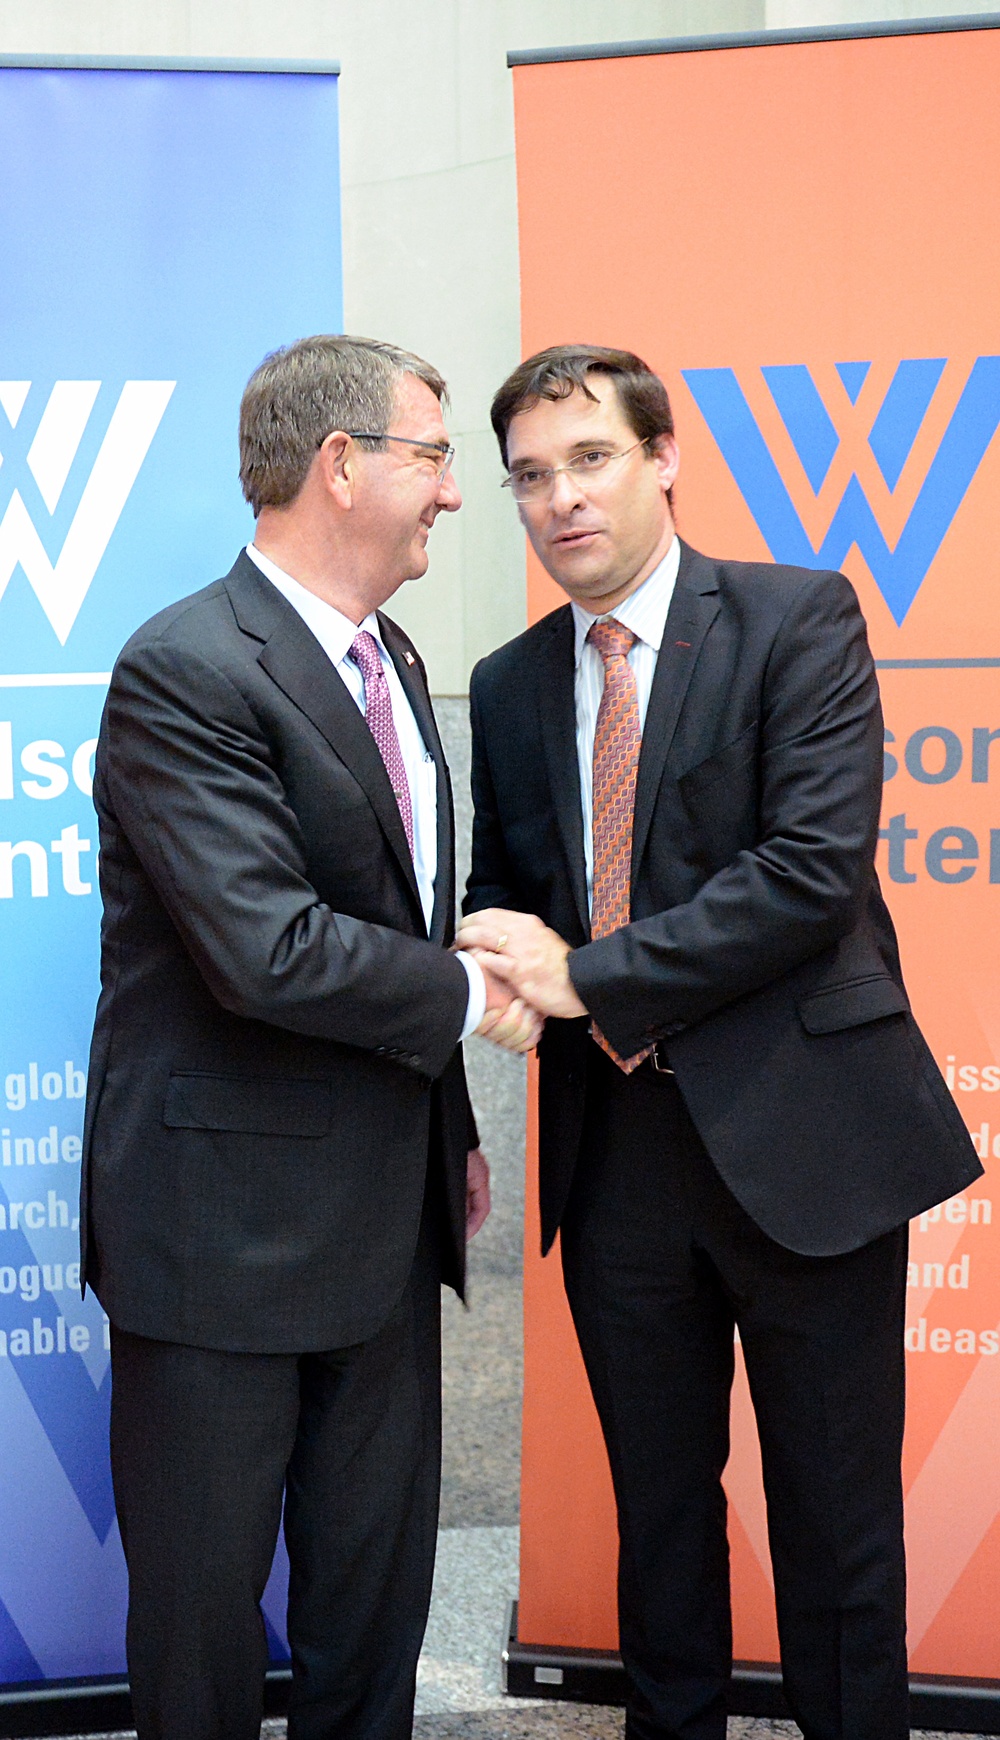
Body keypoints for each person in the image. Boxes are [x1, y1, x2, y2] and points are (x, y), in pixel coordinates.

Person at [457, 344, 981, 1740]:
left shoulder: (795, 619)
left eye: (590, 459)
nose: (558, 499)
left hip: (806, 1140)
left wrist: (586, 976)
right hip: (618, 1157)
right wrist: (497, 958)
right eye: (526, 477)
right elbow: (501, 884)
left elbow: (808, 875)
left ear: (666, 457)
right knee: (663, 1520)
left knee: (837, 1524)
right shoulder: (506, 686)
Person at [81, 334, 538, 1740]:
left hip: (383, 1232)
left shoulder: (393, 658)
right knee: (207, 1641)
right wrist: (483, 995)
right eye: (436, 457)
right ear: (343, 467)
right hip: (220, 1244)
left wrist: (447, 1131)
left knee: (373, 1621)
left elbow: (391, 908)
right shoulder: (186, 667)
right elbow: (266, 948)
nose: (454, 498)